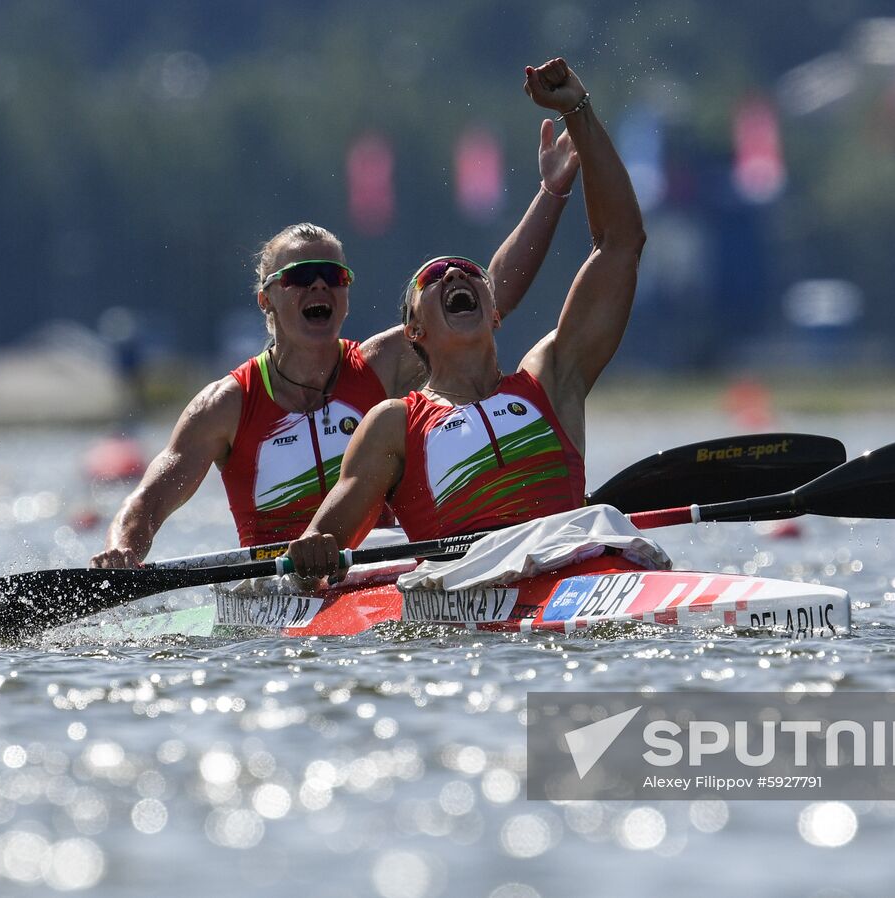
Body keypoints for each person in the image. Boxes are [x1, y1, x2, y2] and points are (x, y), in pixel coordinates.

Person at [90, 120, 580, 568]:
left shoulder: (382, 365)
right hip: (282, 586)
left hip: (384, 572)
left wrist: (551, 192)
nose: (319, 287)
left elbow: (488, 293)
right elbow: (148, 502)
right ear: (266, 300)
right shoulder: (226, 406)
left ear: (346, 294)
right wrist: (124, 549)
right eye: (300, 277)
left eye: (332, 276)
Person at [288, 58, 643, 581]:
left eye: (470, 272)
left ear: (494, 311)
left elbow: (621, 245)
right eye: (435, 276)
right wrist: (314, 551)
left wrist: (579, 113)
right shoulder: (394, 424)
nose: (456, 274)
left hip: (583, 574)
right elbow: (322, 548)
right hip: (471, 599)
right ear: (415, 331)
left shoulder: (551, 379)